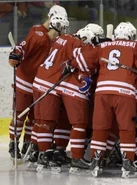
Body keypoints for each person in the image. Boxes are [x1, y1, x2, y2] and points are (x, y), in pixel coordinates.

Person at [70, 22, 137, 177]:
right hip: (124, 92)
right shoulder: (134, 46)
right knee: (126, 129)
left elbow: (82, 60)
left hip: (102, 91)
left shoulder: (104, 46)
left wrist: (71, 64)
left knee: (100, 127)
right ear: (131, 36)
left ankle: (96, 161)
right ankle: (127, 162)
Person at [32, 24, 96, 172]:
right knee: (72, 122)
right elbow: (82, 63)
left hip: (40, 79)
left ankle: (43, 154)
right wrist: (85, 76)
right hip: (52, 82)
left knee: (44, 122)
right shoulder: (78, 43)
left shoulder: (63, 38)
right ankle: (75, 157)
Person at [7, 5, 67, 162]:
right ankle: (13, 143)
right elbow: (22, 46)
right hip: (23, 83)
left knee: (34, 119)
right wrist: (16, 54)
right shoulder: (38, 33)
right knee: (19, 116)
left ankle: (28, 144)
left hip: (37, 86)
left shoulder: (55, 38)